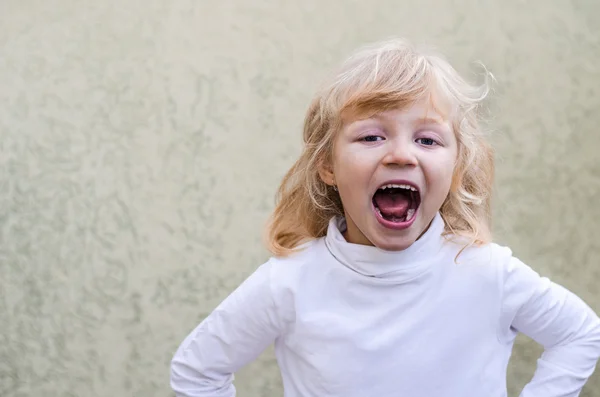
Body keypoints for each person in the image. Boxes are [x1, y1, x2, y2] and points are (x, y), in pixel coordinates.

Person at [170, 38, 600, 397]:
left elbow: (581, 334)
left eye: (428, 139)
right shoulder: (290, 281)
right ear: (328, 165)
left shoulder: (488, 272)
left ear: (456, 169)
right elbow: (197, 370)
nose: (400, 154)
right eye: (372, 136)